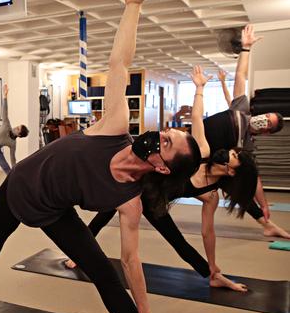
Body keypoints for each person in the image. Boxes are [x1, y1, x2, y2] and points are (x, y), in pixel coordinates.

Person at [0, 0, 200, 313]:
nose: (158, 137)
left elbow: (130, 260)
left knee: (103, 274)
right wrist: (133, 7)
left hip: (54, 211)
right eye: (166, 133)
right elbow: (118, 63)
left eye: (166, 144)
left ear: (164, 168)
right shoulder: (114, 127)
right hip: (18, 188)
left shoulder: (130, 201)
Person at [64, 65, 258, 293]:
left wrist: (214, 267)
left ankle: (212, 276)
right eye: (233, 152)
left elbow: (208, 234)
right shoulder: (202, 153)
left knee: (179, 243)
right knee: (102, 217)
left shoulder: (211, 194)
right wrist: (199, 88)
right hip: (138, 182)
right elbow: (197, 117)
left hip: (155, 203)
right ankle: (77, 255)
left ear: (233, 171)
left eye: (234, 156)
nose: (229, 153)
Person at [204, 25, 289, 239]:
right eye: (266, 116)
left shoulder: (247, 144)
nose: (262, 121)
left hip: (207, 154)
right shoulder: (242, 108)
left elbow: (255, 180)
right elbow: (241, 75)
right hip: (196, 138)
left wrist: (264, 203)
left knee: (235, 184)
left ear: (267, 132)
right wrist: (246, 48)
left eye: (267, 124)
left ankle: (266, 223)